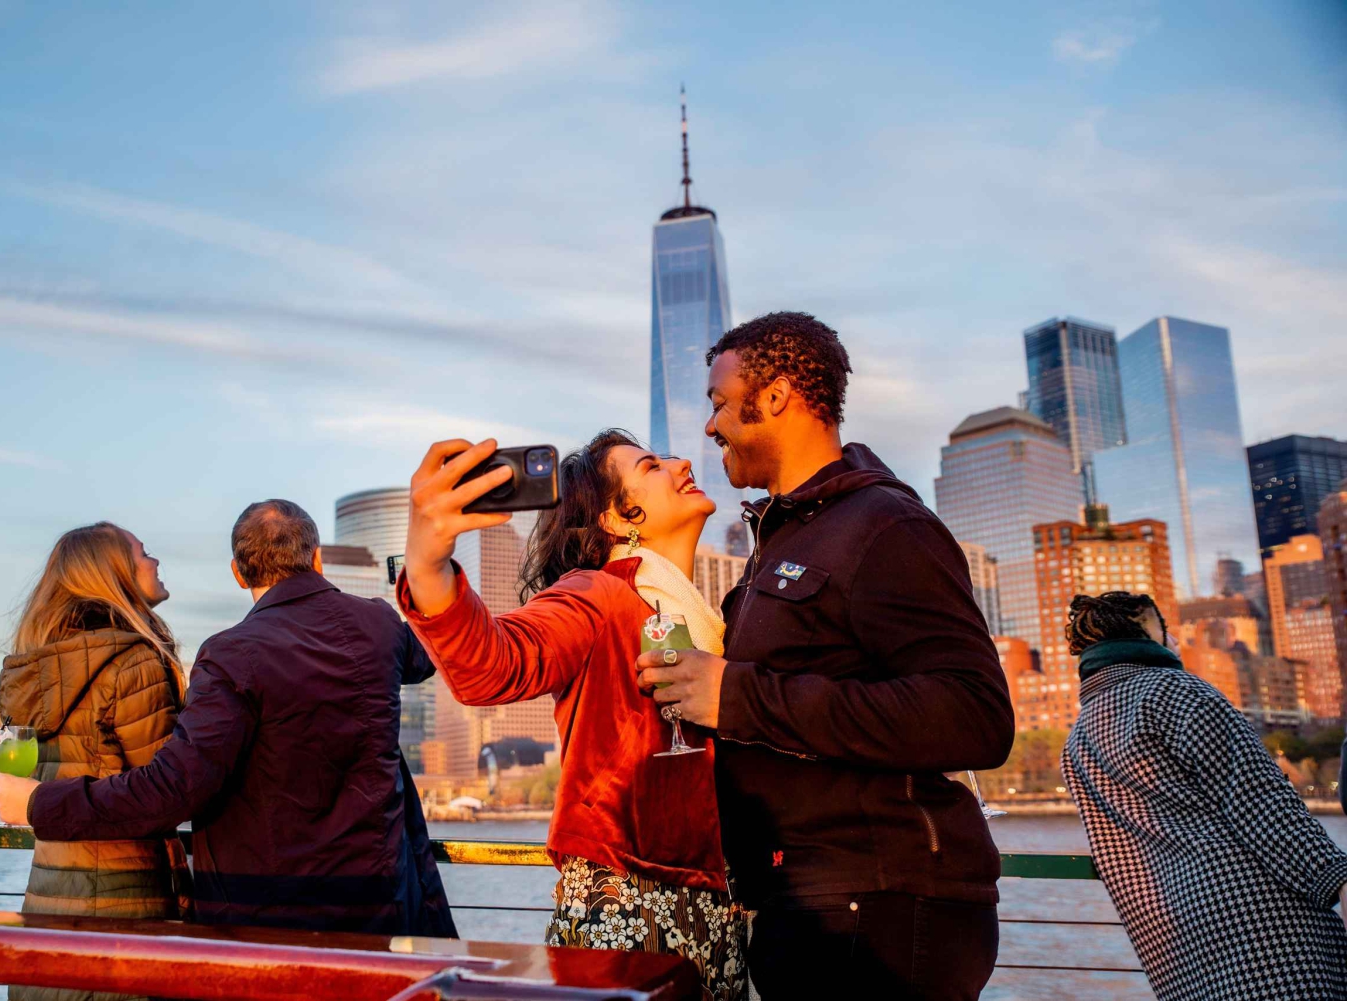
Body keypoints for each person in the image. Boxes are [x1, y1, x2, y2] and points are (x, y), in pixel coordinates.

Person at [635, 312, 1014, 999]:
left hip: (879, 910)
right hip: (807, 905)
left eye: (719, 402)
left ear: (775, 396)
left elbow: (977, 713)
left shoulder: (884, 525)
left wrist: (738, 696)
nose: (710, 426)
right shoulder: (780, 544)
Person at [0, 500, 454, 938]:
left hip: (266, 912)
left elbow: (176, 788)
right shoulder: (377, 623)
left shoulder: (230, 653)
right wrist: (426, 576)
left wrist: (39, 804)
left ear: (237, 573)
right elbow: (429, 655)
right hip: (381, 897)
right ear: (317, 560)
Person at [399, 431, 745, 1000]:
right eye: (653, 466)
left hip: (718, 910)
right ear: (617, 517)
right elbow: (493, 665)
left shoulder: (724, 617)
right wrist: (427, 560)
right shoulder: (597, 594)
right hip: (626, 906)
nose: (683, 463)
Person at [1061, 591, 1347, 1001]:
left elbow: (1118, 859)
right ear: (1142, 628)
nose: (1173, 638)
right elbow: (1263, 803)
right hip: (1272, 936)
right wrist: (1336, 876)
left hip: (1181, 954)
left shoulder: (1078, 743)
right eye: (1164, 628)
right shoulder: (1180, 693)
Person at [0, 522, 189, 1001]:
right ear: (114, 572)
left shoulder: (34, 664)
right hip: (124, 900)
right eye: (143, 553)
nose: (155, 561)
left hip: (48, 893)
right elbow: (164, 793)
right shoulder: (133, 662)